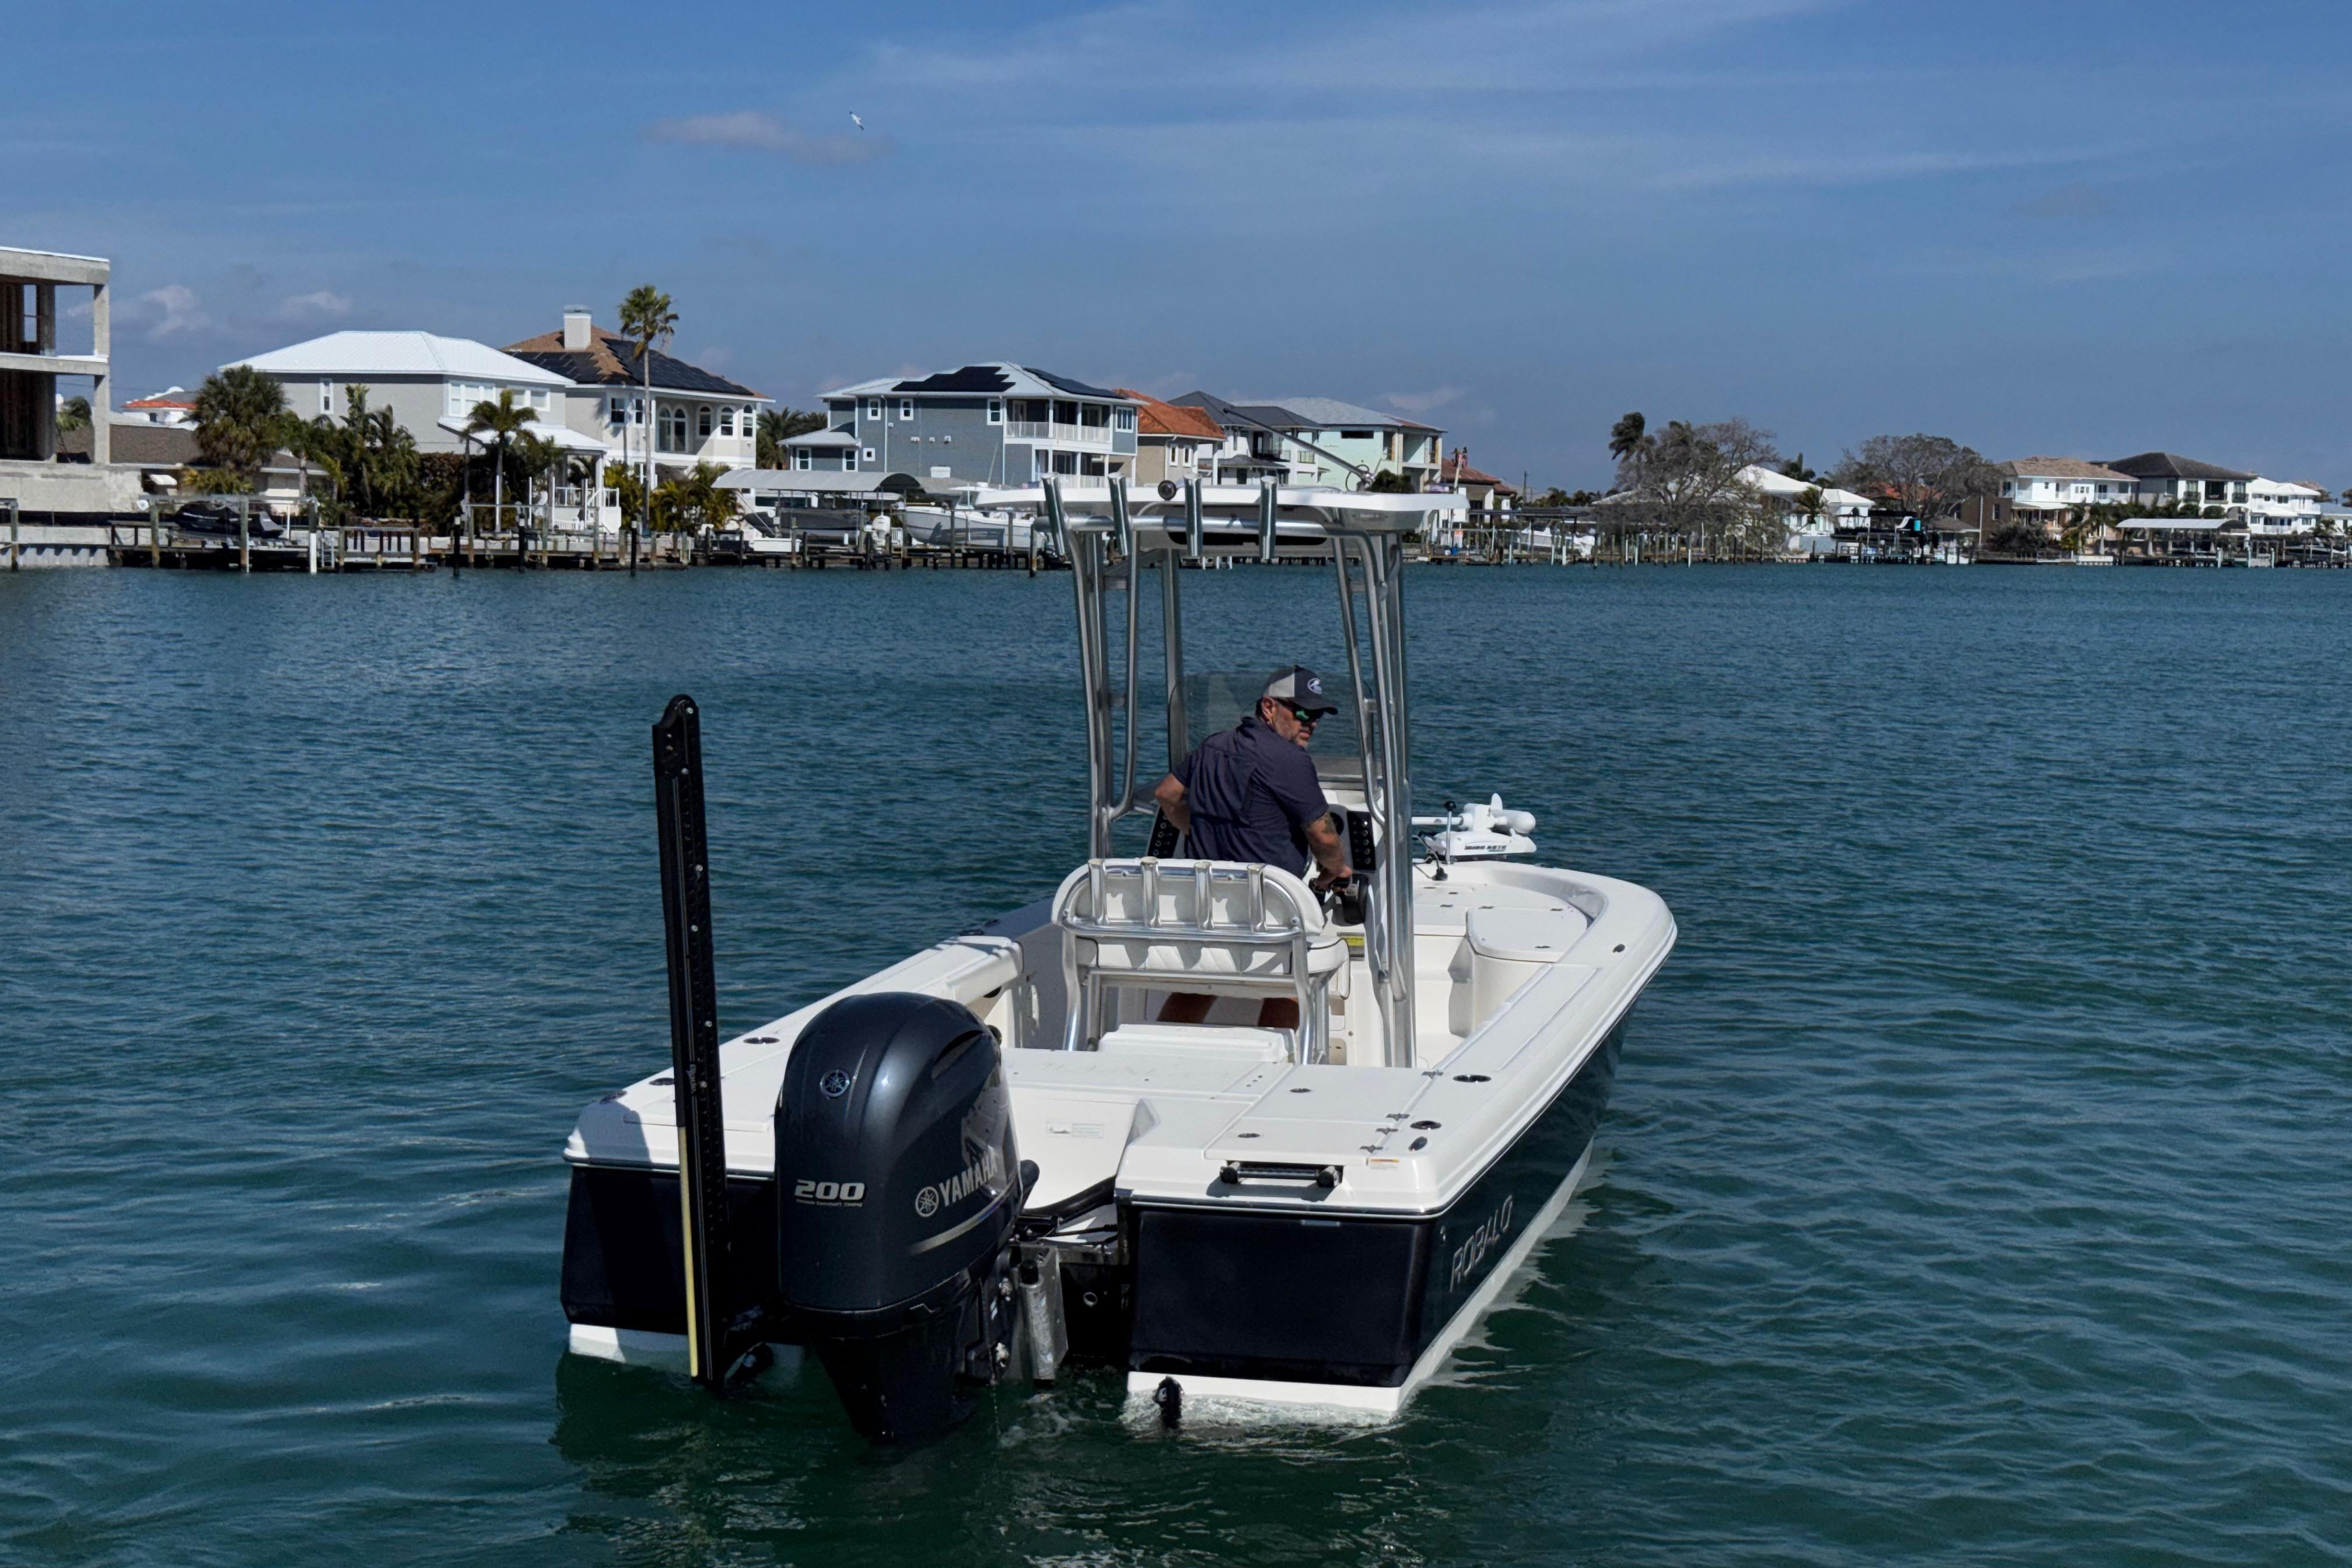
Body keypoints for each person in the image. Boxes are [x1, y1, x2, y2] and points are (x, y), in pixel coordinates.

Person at [1150, 666, 1353, 1029]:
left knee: (1201, 983)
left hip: (1207, 908)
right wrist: (1335, 870)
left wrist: (1193, 828)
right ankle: (1280, 1059)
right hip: (1268, 912)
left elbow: (1166, 794)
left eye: (1318, 715)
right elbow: (1324, 837)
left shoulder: (1212, 745)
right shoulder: (1290, 761)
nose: (1312, 723)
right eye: (1303, 713)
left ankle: (1166, 1049)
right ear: (1269, 707)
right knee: (1292, 979)